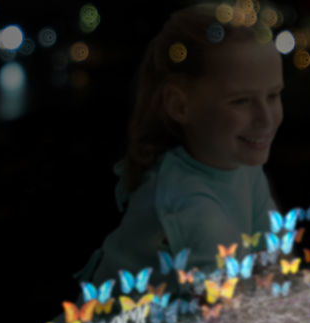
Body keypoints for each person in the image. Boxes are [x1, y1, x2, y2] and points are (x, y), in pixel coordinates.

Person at [73, 4, 282, 286]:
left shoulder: (242, 168)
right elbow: (240, 319)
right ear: (180, 105)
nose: (266, 120)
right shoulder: (189, 207)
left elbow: (277, 268)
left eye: (273, 95)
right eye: (241, 100)